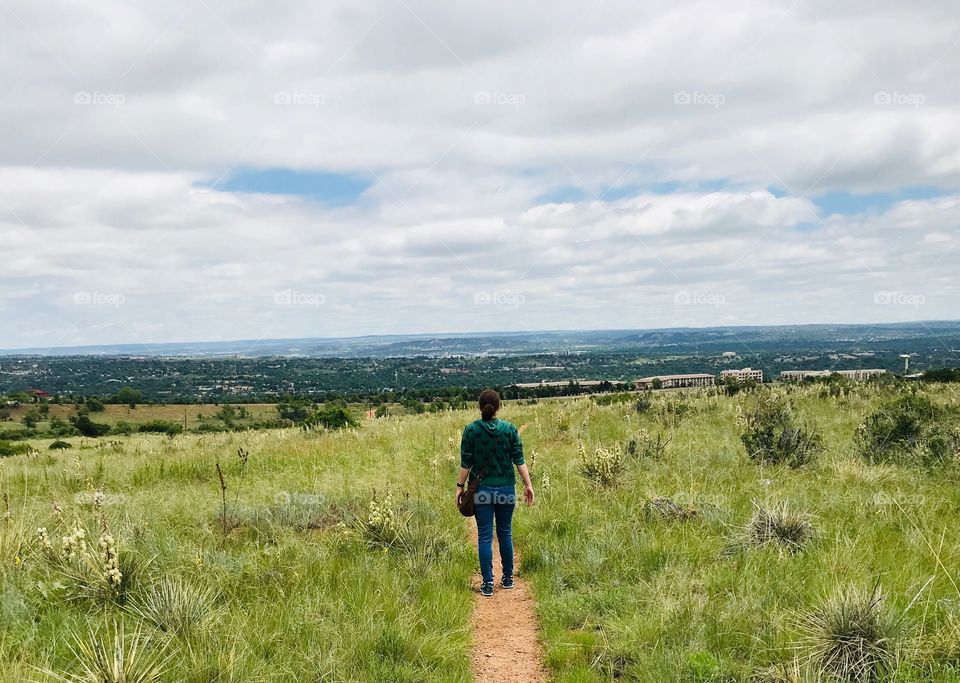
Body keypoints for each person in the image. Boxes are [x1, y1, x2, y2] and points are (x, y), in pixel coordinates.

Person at [456, 389, 534, 597]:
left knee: (484, 537)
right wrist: (528, 485)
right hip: (506, 490)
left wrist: (459, 487)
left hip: (482, 491)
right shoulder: (509, 429)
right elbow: (519, 460)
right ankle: (508, 578)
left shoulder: (471, 430)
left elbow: (466, 463)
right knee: (505, 533)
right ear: (498, 407)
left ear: (479, 407)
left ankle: (488, 583)